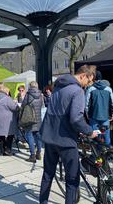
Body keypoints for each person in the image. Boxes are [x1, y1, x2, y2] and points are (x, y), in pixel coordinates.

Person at [39, 65, 98, 204]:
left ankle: (43, 201)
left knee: (48, 174)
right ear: (83, 75)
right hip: (65, 139)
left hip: (49, 136)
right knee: (72, 179)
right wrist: (89, 131)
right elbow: (76, 119)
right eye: (89, 81)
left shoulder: (58, 86)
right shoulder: (77, 91)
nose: (88, 85)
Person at [85, 71, 113, 146]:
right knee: (106, 136)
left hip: (93, 116)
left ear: (94, 78)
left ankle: (97, 155)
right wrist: (111, 115)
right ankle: (108, 153)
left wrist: (87, 114)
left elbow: (86, 104)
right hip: (106, 116)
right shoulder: (108, 89)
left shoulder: (90, 89)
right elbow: (112, 103)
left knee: (95, 136)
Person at [21, 81, 43, 163]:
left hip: (30, 118)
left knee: (30, 135)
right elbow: (41, 105)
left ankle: (32, 155)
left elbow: (23, 105)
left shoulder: (28, 94)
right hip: (38, 118)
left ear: (30, 86)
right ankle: (38, 153)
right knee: (38, 136)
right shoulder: (41, 95)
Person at [0, 86, 19, 156]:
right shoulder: (7, 98)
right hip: (7, 120)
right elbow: (14, 108)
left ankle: (2, 151)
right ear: (6, 92)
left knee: (1, 135)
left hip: (0, 119)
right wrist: (16, 104)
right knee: (10, 134)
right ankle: (8, 150)